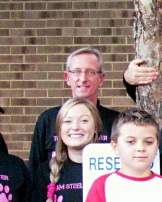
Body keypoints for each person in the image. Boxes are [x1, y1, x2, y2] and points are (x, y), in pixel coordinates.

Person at [29, 47, 119, 175]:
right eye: (76, 72)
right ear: (67, 77)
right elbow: (35, 171)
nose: (83, 78)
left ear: (101, 79)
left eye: (90, 72)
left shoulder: (117, 121)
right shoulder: (48, 120)